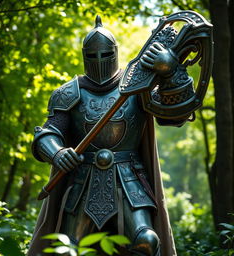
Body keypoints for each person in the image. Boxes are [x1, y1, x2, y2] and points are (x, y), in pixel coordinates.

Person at [28, 15, 195, 256]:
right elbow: (48, 133)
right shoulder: (68, 92)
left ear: (114, 52)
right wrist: (57, 152)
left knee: (147, 242)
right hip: (82, 182)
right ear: (84, 56)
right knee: (65, 251)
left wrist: (170, 72)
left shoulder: (136, 85)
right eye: (93, 55)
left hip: (129, 181)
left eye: (104, 54)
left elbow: (174, 115)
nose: (99, 60)